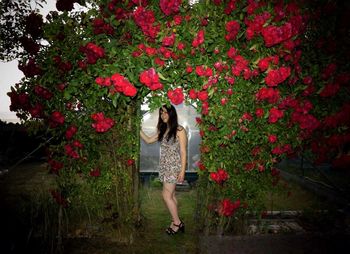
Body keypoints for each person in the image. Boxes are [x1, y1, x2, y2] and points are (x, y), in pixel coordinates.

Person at [140, 104, 187, 235]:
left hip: (173, 167)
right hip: (165, 166)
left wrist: (182, 171)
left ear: (172, 114)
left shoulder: (179, 130)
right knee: (171, 195)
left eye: (166, 112)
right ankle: (175, 220)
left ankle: (177, 223)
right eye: (161, 113)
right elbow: (149, 140)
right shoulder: (164, 129)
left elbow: (183, 152)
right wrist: (137, 129)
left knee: (166, 195)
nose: (163, 115)